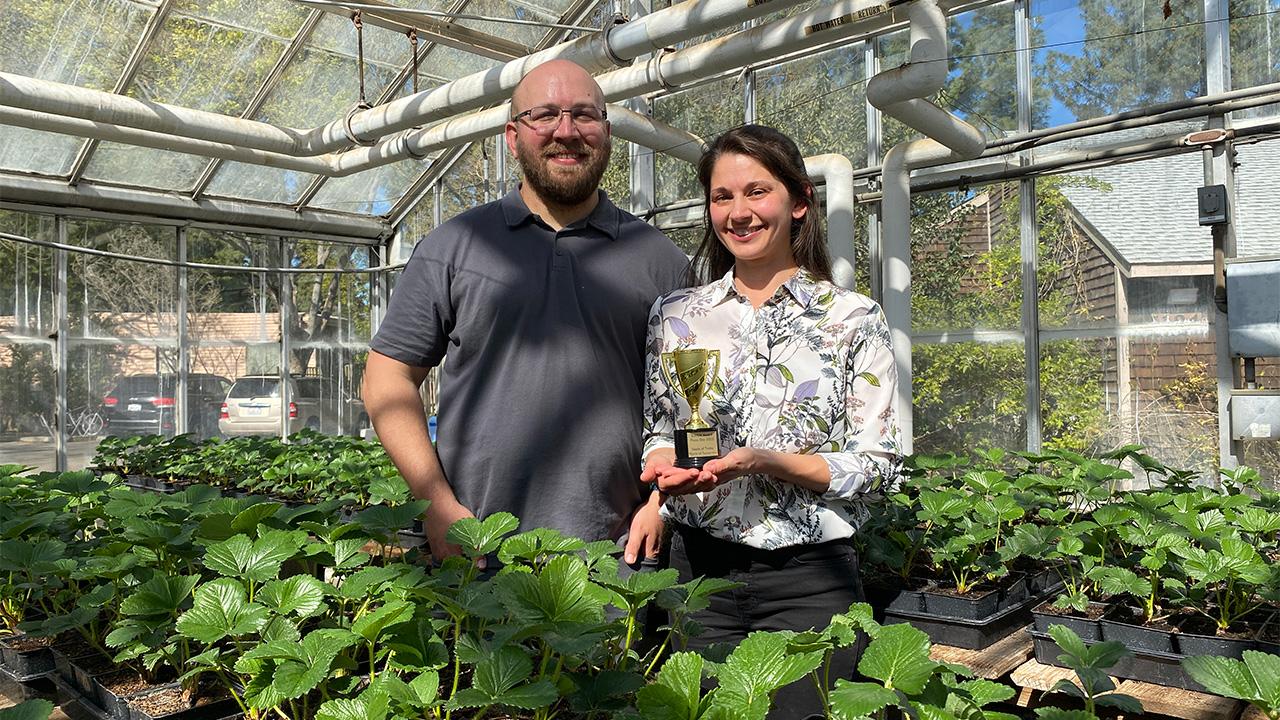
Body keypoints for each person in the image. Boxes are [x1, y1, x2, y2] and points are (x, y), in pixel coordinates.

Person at [364, 59, 689, 567]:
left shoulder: (662, 262)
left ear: (606, 132)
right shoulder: (454, 247)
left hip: (620, 558)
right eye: (545, 115)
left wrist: (661, 506)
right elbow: (387, 380)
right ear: (513, 137)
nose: (567, 131)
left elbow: (696, 406)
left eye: (584, 115)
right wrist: (438, 505)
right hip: (476, 549)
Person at [640, 125, 902, 719]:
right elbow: (659, 425)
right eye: (721, 196)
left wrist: (765, 462)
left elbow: (877, 463)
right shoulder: (677, 315)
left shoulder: (852, 318)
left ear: (799, 201)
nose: (738, 212)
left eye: (757, 192)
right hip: (698, 573)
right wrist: (659, 468)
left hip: (809, 579)